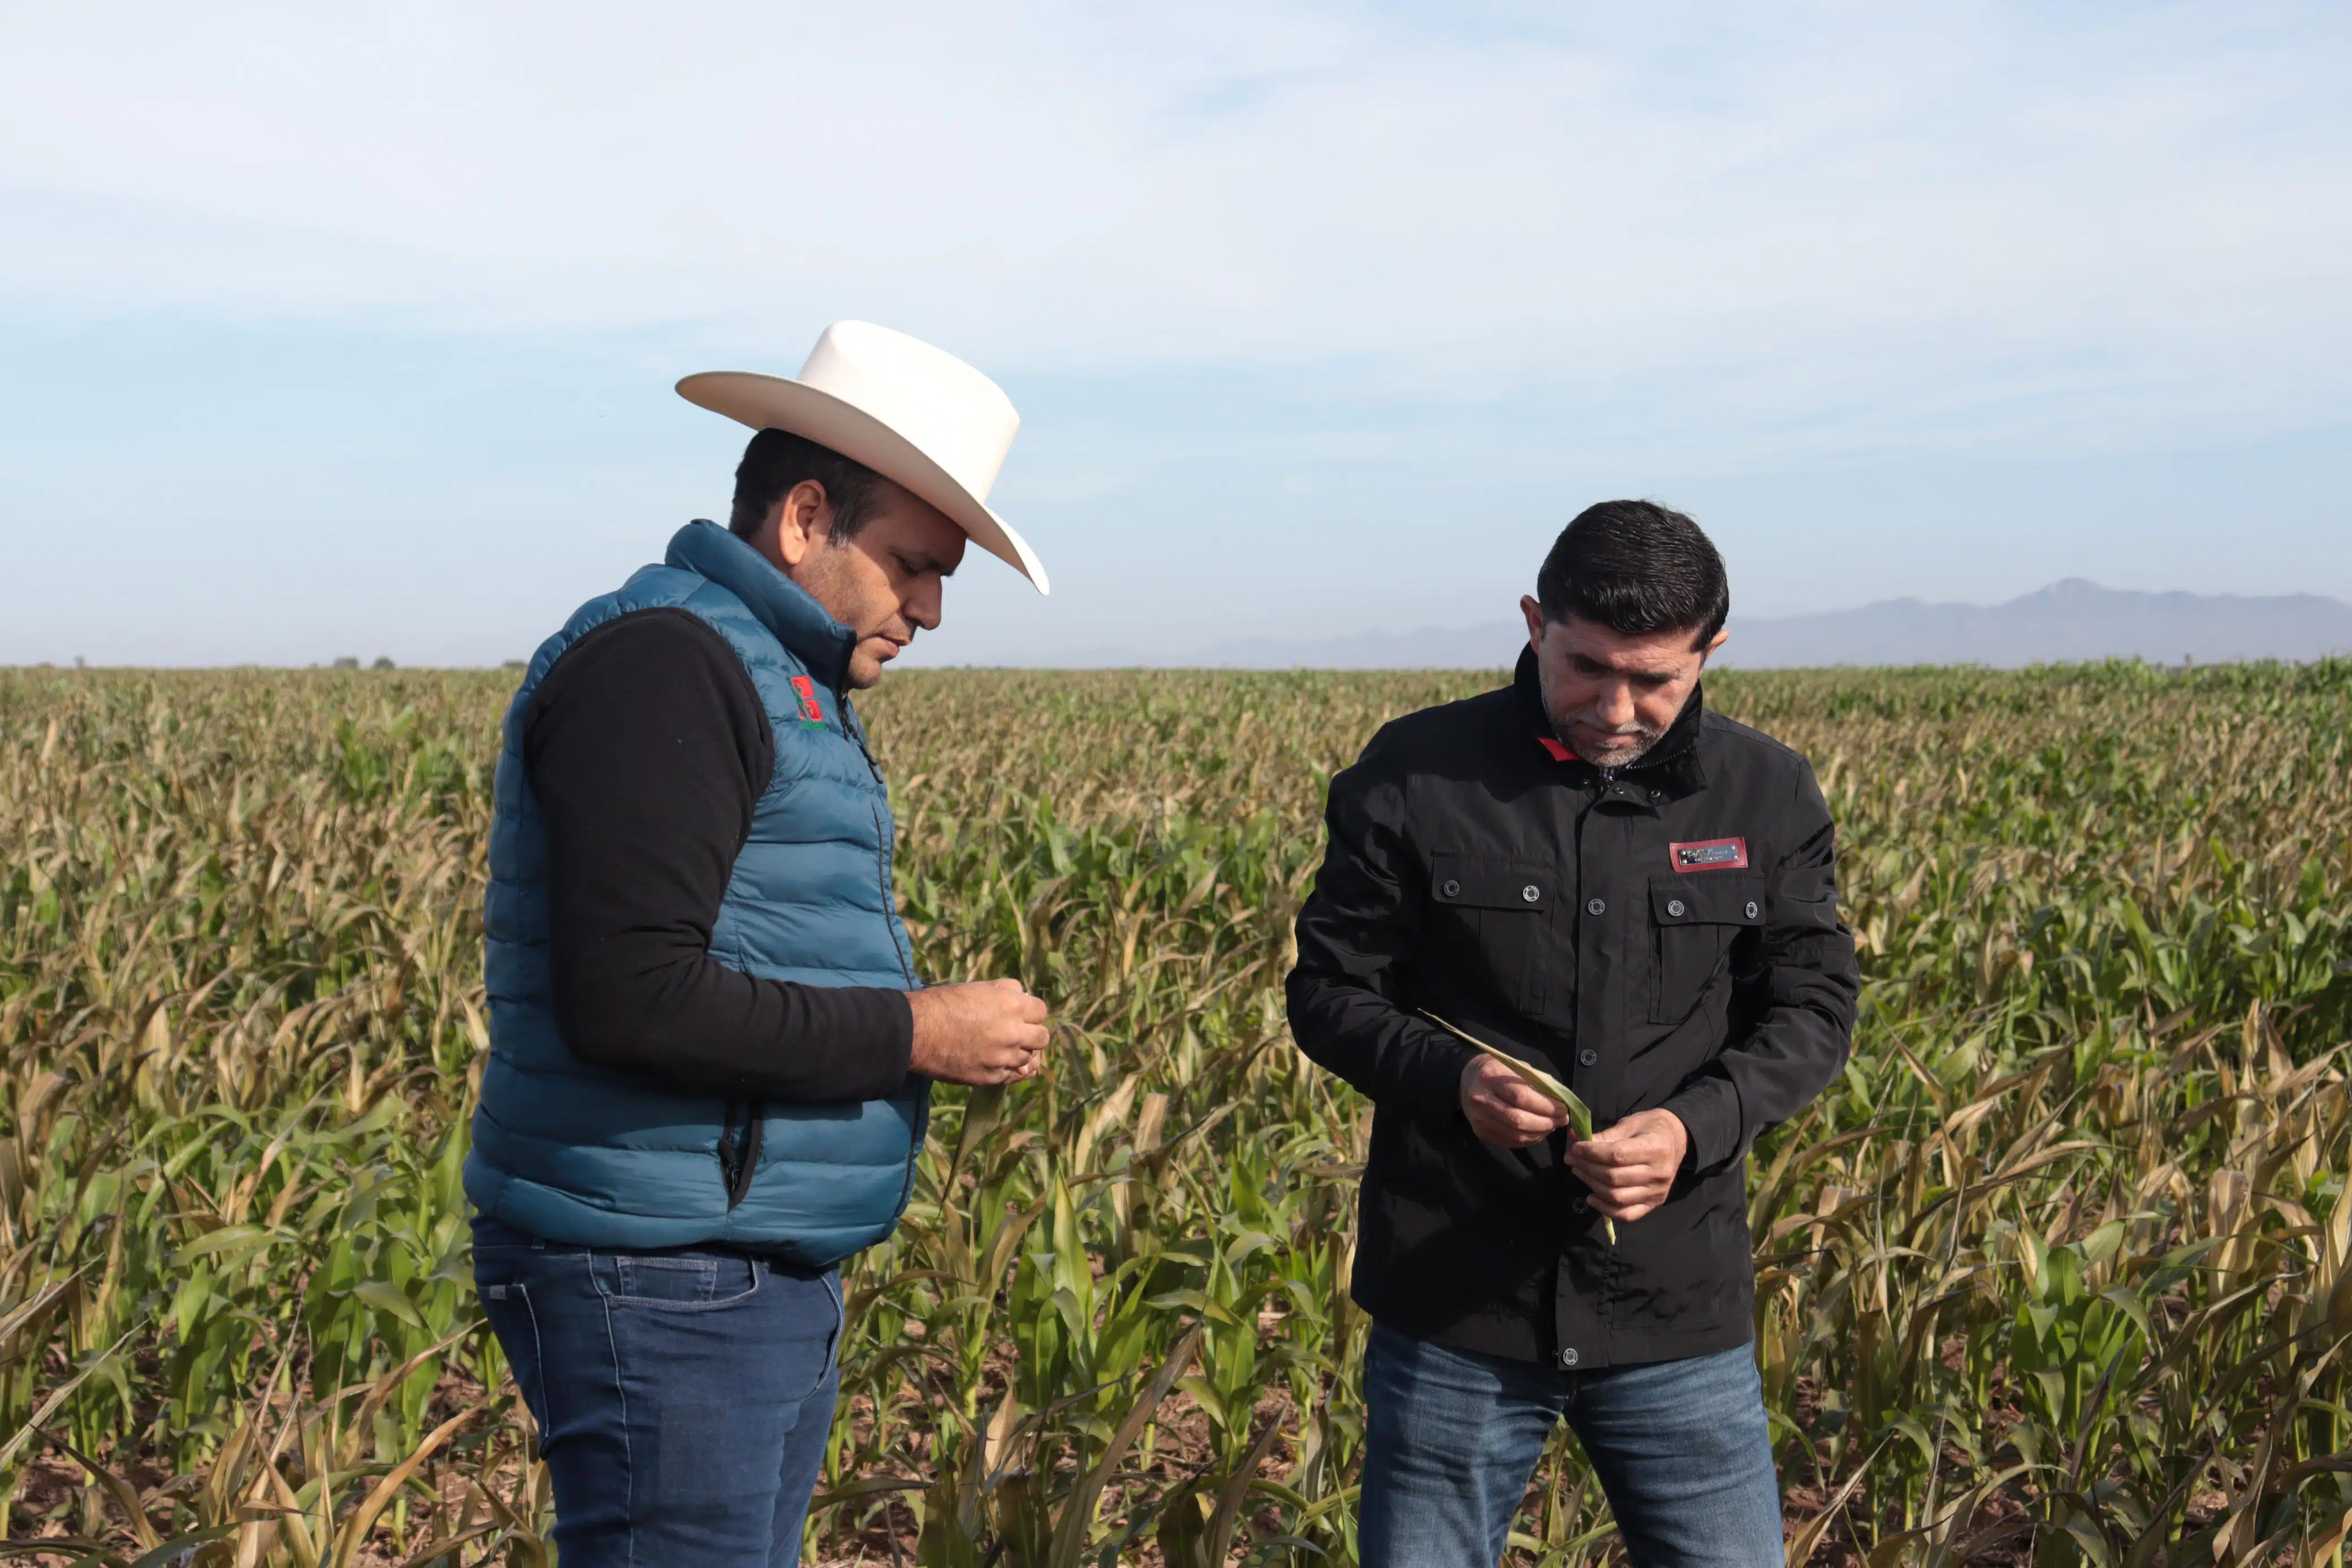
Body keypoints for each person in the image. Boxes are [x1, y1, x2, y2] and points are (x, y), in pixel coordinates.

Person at [464, 322, 1056, 1567]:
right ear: (802, 519)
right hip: (660, 1273)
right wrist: (919, 1030)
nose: (935, 610)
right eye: (915, 564)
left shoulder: (772, 675)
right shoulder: (667, 667)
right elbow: (631, 995)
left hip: (726, 1265)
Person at [1286, 501, 1861, 1568]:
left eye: (1656, 679)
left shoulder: (1766, 792)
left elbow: (1816, 1005)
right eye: (1587, 666)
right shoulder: (1416, 774)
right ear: (1533, 621)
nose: (1617, 706)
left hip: (1674, 1307)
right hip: (1458, 1305)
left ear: (1711, 652)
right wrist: (1452, 1078)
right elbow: (1328, 991)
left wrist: (1694, 1128)